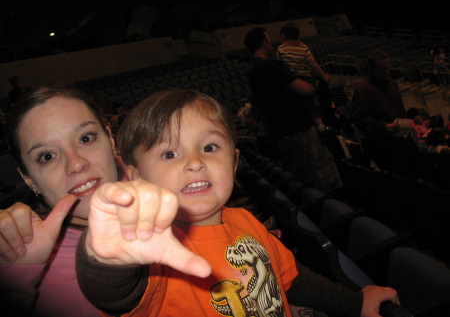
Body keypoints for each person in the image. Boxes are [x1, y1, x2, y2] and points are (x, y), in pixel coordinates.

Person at [76, 89, 399, 317]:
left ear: (233, 163)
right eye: (170, 153)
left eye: (210, 147)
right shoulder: (151, 257)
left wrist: (353, 304)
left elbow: (293, 280)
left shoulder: (246, 221)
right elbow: (112, 294)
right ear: (135, 177)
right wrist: (107, 258)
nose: (194, 162)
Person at [0, 86, 126, 317]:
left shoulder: (173, 187)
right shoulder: (40, 279)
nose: (76, 163)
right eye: (47, 156)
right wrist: (14, 280)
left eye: (85, 138)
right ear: (28, 179)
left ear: (110, 139)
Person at [244, 27, 342, 193]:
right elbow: (305, 90)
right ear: (264, 43)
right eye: (269, 40)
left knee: (301, 181)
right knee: (320, 177)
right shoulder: (271, 66)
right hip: (298, 131)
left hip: (280, 135)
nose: (271, 44)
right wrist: (317, 85)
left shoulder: (252, 72)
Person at [351, 50, 428, 179]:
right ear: (371, 68)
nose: (387, 72)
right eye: (382, 69)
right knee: (402, 177)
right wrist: (384, 126)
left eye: (388, 68)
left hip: (401, 137)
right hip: (384, 143)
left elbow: (399, 109)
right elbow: (358, 118)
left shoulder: (391, 83)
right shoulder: (363, 90)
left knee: (420, 171)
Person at [277, 22, 331, 132]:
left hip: (291, 82)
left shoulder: (280, 49)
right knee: (311, 104)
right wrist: (324, 76)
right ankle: (320, 125)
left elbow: (279, 67)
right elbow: (312, 64)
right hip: (306, 80)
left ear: (283, 36)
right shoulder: (304, 47)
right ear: (298, 36)